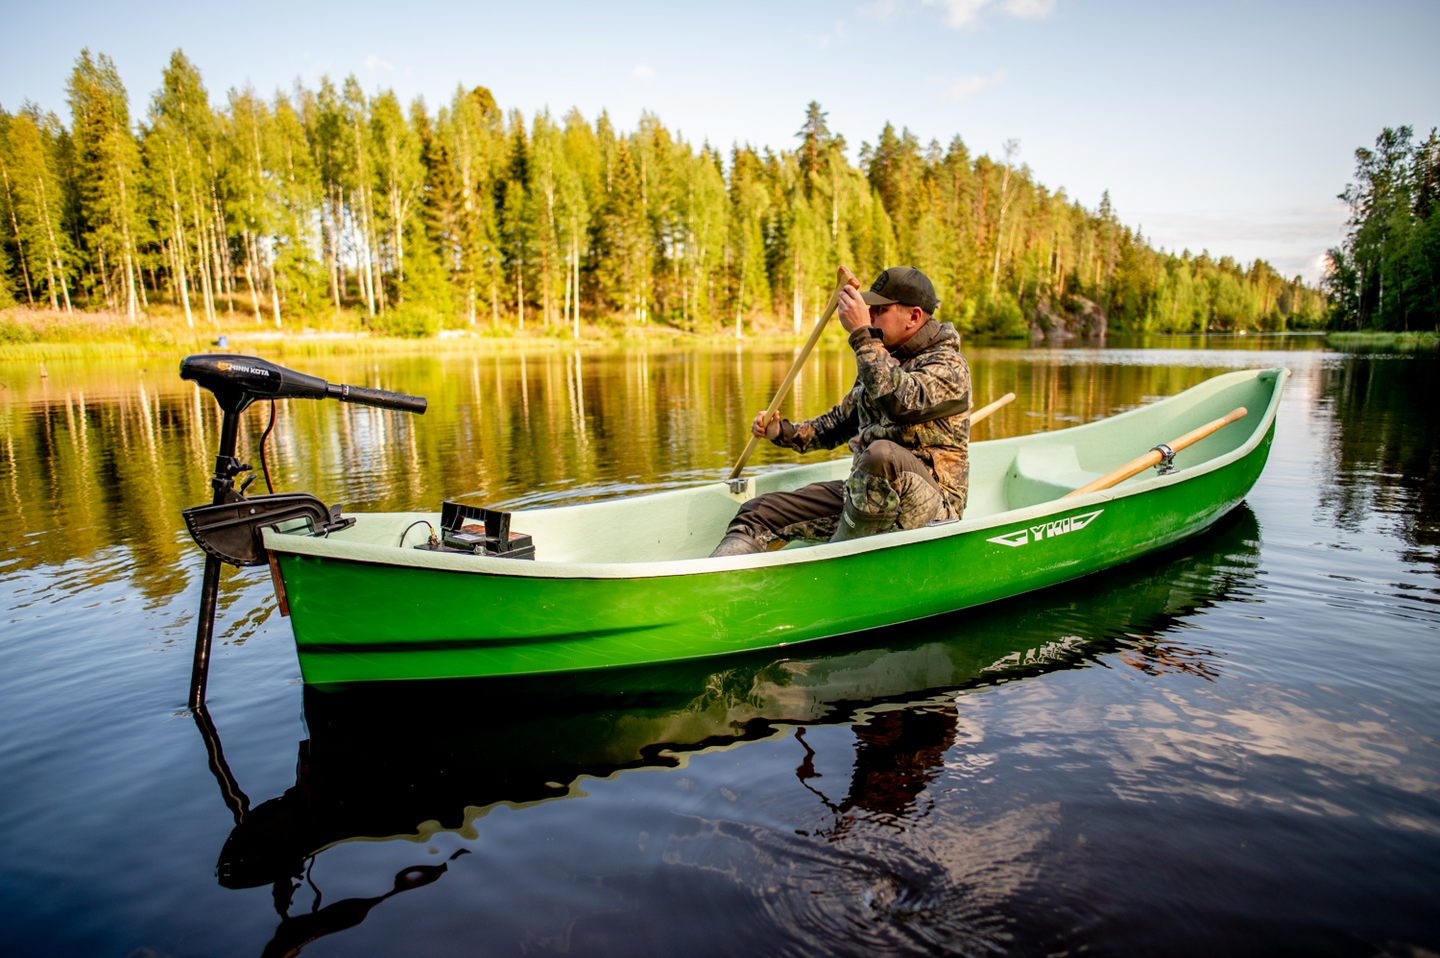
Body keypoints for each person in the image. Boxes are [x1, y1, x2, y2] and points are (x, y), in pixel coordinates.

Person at [711, 266, 972, 557]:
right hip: (865, 497)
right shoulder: (881, 358)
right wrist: (781, 431)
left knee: (882, 456)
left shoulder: (949, 367)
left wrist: (862, 335)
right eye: (869, 310)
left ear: (913, 316)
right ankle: (718, 578)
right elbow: (837, 424)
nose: (870, 317)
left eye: (880, 310)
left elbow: (898, 404)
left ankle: (838, 557)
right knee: (759, 512)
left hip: (934, 510)